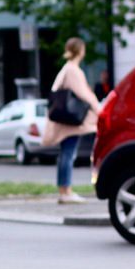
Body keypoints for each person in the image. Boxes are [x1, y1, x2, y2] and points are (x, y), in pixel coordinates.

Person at [40, 37, 102, 204]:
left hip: (65, 121)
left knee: (65, 154)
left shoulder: (66, 69)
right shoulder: (73, 70)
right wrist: (98, 107)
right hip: (71, 123)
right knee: (69, 154)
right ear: (80, 50)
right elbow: (83, 93)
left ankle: (64, 190)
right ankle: (66, 191)